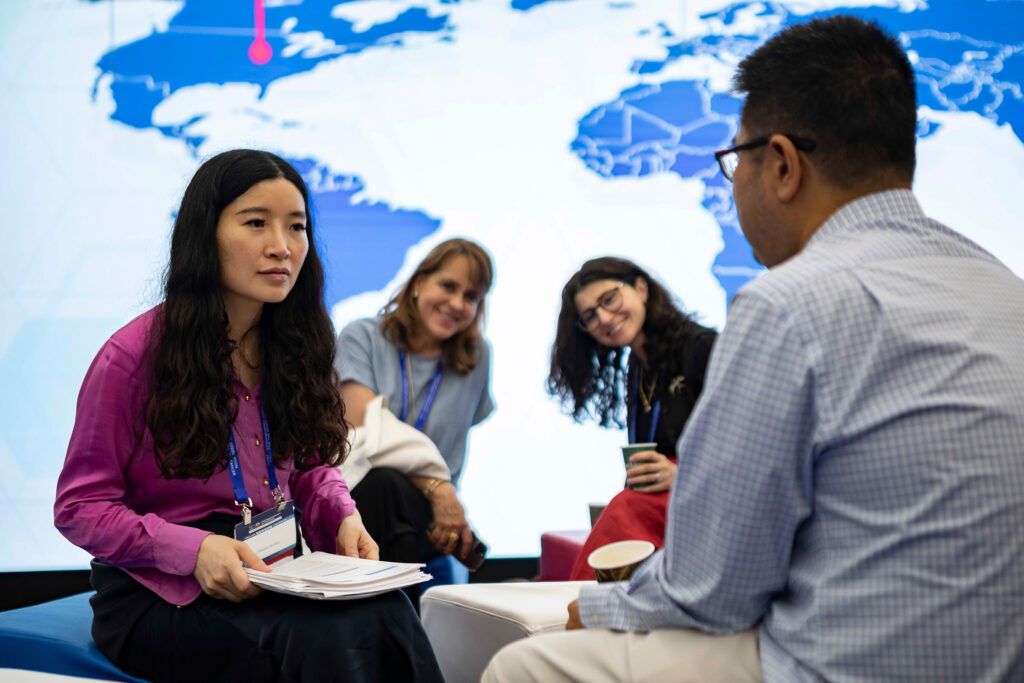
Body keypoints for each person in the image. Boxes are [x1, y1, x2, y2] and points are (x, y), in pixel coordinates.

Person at [484, 15, 1024, 682]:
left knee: (523, 662)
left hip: (846, 661)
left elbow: (712, 588)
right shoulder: (1006, 289)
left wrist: (594, 605)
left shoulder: (789, 305)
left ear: (783, 164)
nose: (732, 182)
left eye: (732, 160)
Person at [54, 149, 444, 682]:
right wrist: (193, 550)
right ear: (204, 234)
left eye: (297, 227)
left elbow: (309, 466)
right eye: (256, 223)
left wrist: (341, 514)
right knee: (320, 639)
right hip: (158, 592)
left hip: (271, 570)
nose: (281, 247)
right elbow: (80, 506)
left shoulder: (298, 345)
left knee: (389, 611)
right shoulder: (132, 357)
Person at [334, 238, 495, 586]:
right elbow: (364, 429)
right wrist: (439, 488)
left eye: (471, 297)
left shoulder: (477, 357)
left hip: (429, 518)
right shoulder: (361, 336)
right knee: (385, 485)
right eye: (448, 286)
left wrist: (439, 496)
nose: (457, 304)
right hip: (362, 503)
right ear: (419, 283)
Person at [547, 257, 715, 580]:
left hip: (706, 507)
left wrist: (683, 472)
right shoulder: (637, 368)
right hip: (669, 520)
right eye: (589, 317)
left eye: (609, 300)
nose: (605, 319)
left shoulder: (702, 347)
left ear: (641, 288)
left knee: (624, 510)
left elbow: (750, 446)